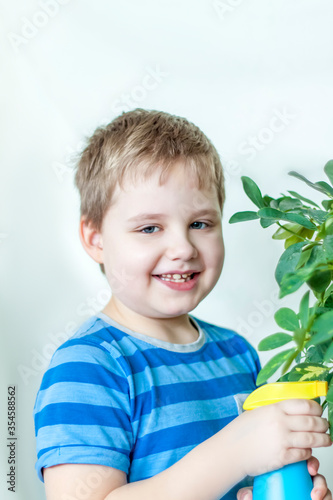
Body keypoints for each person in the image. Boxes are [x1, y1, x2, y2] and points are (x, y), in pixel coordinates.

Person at [33, 109, 332, 500]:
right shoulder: (88, 368)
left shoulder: (238, 354)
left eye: (200, 224)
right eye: (150, 228)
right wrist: (235, 453)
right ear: (95, 239)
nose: (183, 248)